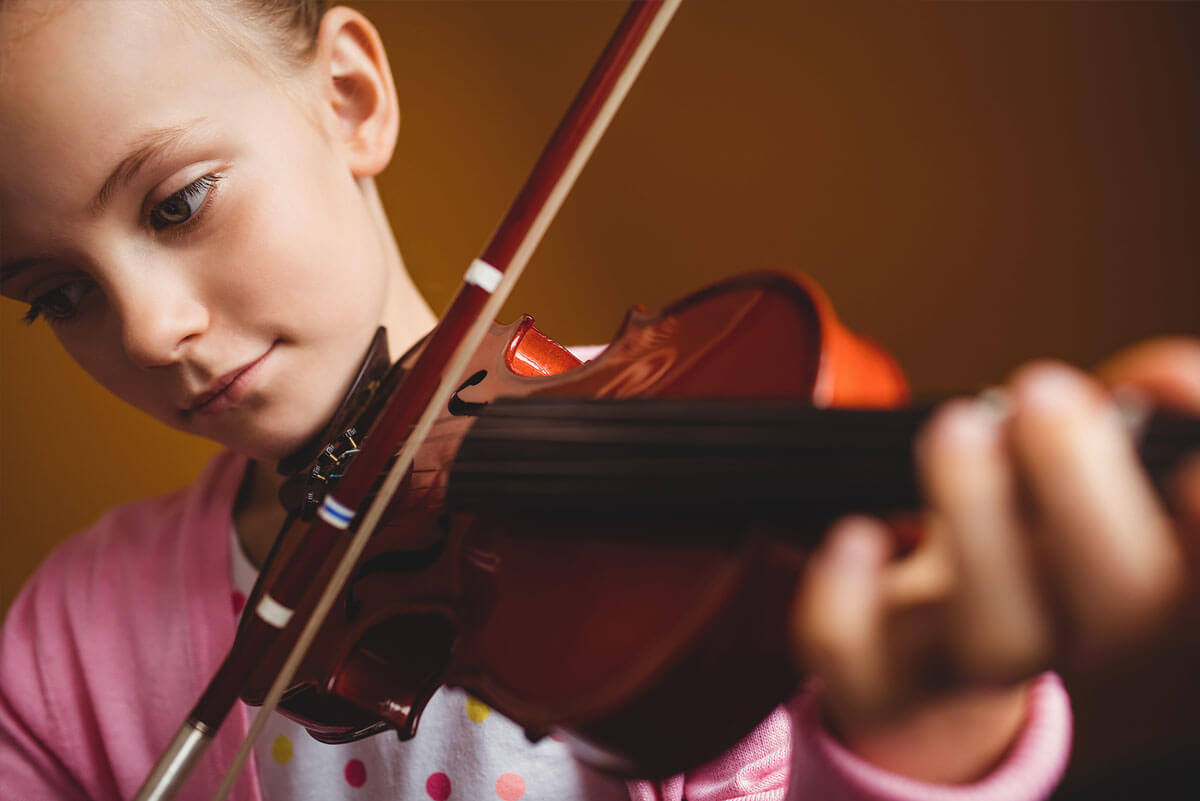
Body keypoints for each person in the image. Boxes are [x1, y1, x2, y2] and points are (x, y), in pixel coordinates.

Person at [0, 1, 1195, 800]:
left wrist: (915, 740)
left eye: (177, 203)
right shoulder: (66, 649)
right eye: (58, 294)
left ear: (352, 99)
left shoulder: (682, 540)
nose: (152, 332)